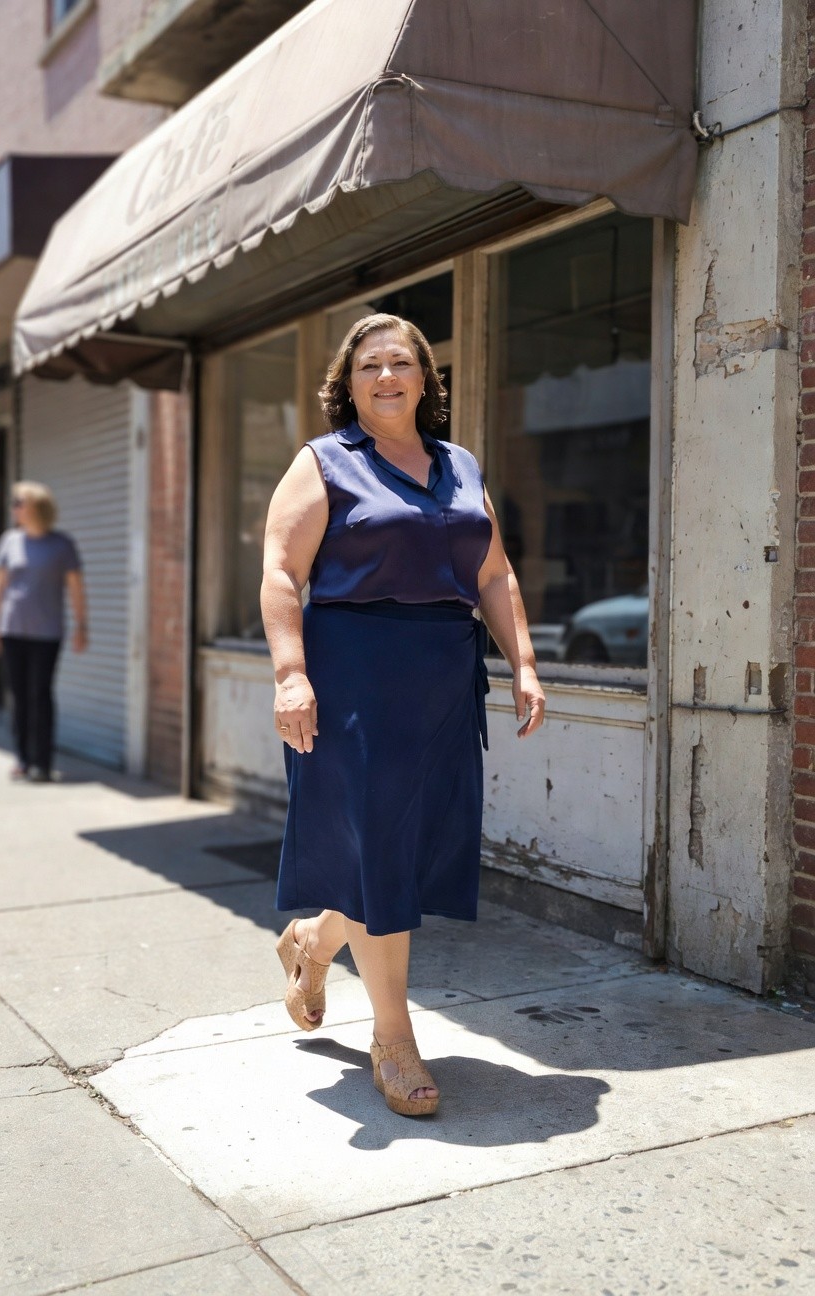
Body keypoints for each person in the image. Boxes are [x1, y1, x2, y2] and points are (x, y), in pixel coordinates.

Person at [261, 314, 545, 1118]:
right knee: (382, 848)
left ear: (425, 378)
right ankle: (393, 1039)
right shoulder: (324, 462)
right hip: (354, 679)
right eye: (368, 366)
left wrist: (522, 662)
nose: (385, 377)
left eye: (400, 363)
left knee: (403, 851)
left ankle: (312, 942)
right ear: (347, 385)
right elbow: (280, 573)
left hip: (443, 682)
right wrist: (291, 676)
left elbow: (493, 574)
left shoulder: (460, 465)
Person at [0, 481, 88, 782]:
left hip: (47, 632)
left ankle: (43, 762)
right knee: (18, 695)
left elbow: (76, 588)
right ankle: (22, 758)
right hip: (12, 629)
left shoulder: (62, 545)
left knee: (40, 694)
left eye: (19, 502)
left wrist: (82, 625)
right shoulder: (9, 541)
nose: (14, 508)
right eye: (14, 503)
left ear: (36, 507)